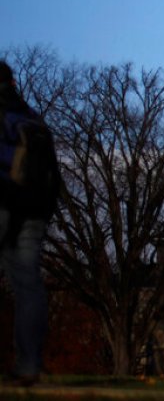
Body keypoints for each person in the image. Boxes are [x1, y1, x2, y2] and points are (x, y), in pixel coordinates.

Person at [0, 60, 60, 386]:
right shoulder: (33, 119)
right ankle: (29, 364)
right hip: (35, 208)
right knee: (28, 285)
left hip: (5, 201)